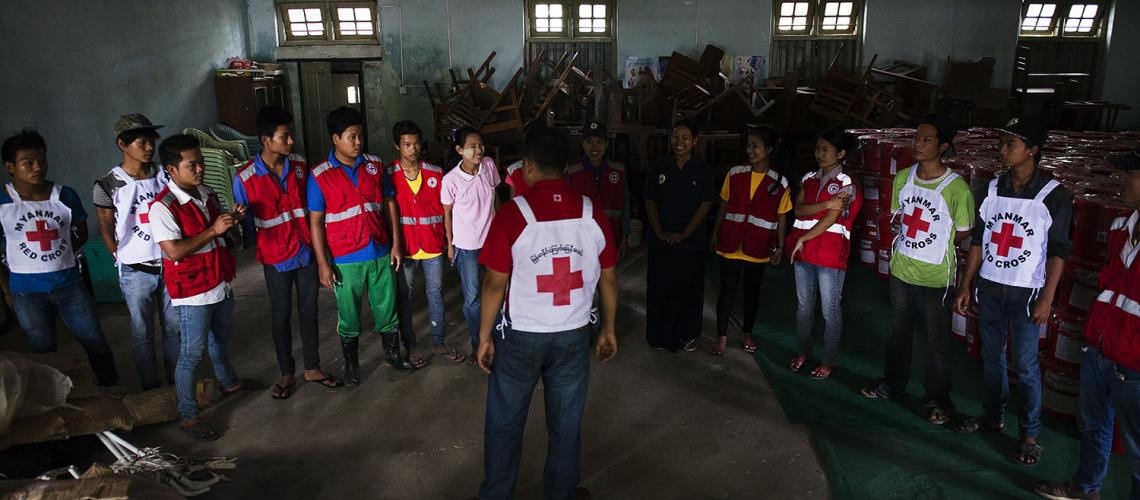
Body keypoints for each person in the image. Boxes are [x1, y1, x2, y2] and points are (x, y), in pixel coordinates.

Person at [473, 127, 618, 500]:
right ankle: (561, 493)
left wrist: (485, 335)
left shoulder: (512, 214)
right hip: (573, 334)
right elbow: (609, 279)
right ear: (568, 165)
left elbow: (493, 285)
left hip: (521, 336)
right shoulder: (592, 211)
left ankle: (497, 495)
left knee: (505, 421)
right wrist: (608, 329)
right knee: (566, 423)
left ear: (530, 166)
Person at [953, 118, 1072, 466]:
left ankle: (1030, 434)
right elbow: (979, 239)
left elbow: (1058, 251)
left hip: (1027, 296)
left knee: (1026, 364)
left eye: (1010, 145)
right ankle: (993, 415)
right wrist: (966, 283)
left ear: (1032, 151)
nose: (1002, 151)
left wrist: (1048, 298)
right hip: (990, 288)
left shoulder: (1054, 194)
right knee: (992, 358)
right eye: (1002, 144)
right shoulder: (991, 188)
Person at [1035, 149, 1140, 500]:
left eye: (1134, 174)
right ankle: (1085, 489)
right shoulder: (1120, 227)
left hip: (1135, 362)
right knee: (1093, 427)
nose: (1125, 181)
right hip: (1100, 346)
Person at [861, 115, 974, 425]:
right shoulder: (904, 177)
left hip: (936, 278)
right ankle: (892, 382)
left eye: (926, 139)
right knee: (898, 332)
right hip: (902, 271)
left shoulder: (957, 188)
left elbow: (963, 231)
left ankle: (938, 398)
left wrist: (935, 242)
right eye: (916, 137)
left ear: (943, 146)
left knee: (938, 342)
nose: (918, 143)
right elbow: (899, 216)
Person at [233, 106, 342, 400]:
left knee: (309, 310)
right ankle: (286, 372)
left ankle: (313, 367)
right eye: (285, 136)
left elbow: (312, 208)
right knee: (280, 315)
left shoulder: (299, 166)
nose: (291, 141)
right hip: (275, 258)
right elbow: (246, 227)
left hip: (305, 252)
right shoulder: (245, 178)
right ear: (266, 140)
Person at [148, 134, 253, 441]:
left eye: (201, 162)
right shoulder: (162, 207)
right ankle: (189, 415)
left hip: (219, 281)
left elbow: (219, 234)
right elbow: (175, 251)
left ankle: (228, 381)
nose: (199, 169)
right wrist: (213, 230)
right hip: (193, 292)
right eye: (191, 165)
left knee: (220, 338)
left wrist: (231, 221)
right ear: (171, 169)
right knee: (191, 354)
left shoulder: (205, 193)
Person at [0, 129, 118, 387]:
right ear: (10, 167)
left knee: (94, 339)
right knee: (43, 350)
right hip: (27, 292)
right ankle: (55, 398)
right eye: (27, 162)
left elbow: (80, 231)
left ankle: (111, 388)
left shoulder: (64, 195)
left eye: (41, 160)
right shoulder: (2, 202)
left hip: (69, 284)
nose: (37, 167)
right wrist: (7, 290)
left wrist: (55, 254)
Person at [308, 106, 415, 386]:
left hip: (379, 250)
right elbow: (316, 222)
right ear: (335, 139)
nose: (358, 142)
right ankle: (352, 365)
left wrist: (395, 243)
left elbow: (389, 202)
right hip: (345, 258)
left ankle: (392, 356)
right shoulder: (320, 175)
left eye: (360, 136)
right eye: (351, 137)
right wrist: (322, 263)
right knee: (349, 315)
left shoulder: (374, 165)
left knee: (386, 308)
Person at [93, 114, 179, 390]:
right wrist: (119, 256)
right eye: (141, 142)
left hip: (169, 262)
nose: (149, 147)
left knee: (173, 329)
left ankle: (178, 381)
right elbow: (106, 225)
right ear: (122, 144)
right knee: (142, 332)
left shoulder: (165, 174)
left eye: (151, 141)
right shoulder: (108, 184)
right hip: (135, 269)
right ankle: (151, 386)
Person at [786, 127, 862, 379]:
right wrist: (826, 203)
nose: (819, 153)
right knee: (803, 307)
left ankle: (828, 361)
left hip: (829, 255)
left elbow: (832, 217)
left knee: (830, 310)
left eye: (825, 149)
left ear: (840, 153)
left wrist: (805, 237)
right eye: (818, 148)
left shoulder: (847, 184)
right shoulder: (808, 178)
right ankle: (803, 352)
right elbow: (798, 210)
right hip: (804, 253)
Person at [709, 126, 791, 356]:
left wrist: (781, 246)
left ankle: (747, 333)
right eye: (748, 145)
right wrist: (715, 231)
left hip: (758, 244)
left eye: (755, 146)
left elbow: (782, 216)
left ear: (769, 149)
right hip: (731, 242)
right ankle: (721, 337)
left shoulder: (779, 182)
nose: (750, 150)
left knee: (751, 293)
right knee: (727, 290)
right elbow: (724, 204)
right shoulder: (735, 173)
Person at [388, 120, 463, 365]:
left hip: (432, 245)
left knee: (435, 293)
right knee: (405, 296)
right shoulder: (389, 174)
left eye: (416, 143)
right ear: (397, 146)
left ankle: (438, 341)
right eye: (407, 144)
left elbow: (446, 211)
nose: (413, 149)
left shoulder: (436, 173)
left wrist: (449, 241)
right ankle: (409, 345)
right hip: (406, 248)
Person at [644, 120, 716, 352]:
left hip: (691, 243)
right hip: (660, 241)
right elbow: (650, 199)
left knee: (689, 289)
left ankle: (687, 335)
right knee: (660, 288)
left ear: (694, 141)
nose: (679, 142)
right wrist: (658, 231)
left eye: (686, 137)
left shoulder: (703, 170)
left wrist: (684, 234)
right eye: (675, 136)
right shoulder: (659, 166)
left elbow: (706, 204)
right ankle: (658, 336)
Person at [442, 126, 500, 360]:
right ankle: (479, 341)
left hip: (492, 241)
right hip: (467, 246)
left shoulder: (488, 165)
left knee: (496, 290)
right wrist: (450, 245)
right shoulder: (451, 180)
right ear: (459, 150)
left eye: (480, 145)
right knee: (473, 298)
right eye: (472, 147)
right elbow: (447, 215)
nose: (478, 150)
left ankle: (497, 338)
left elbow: (496, 197)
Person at [565, 121, 630, 258]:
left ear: (607, 144)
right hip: (581, 240)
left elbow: (625, 206)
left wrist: (624, 237)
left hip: (612, 235)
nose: (594, 147)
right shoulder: (572, 172)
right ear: (583, 144)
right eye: (589, 142)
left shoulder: (618, 170)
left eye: (599, 142)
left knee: (609, 277)